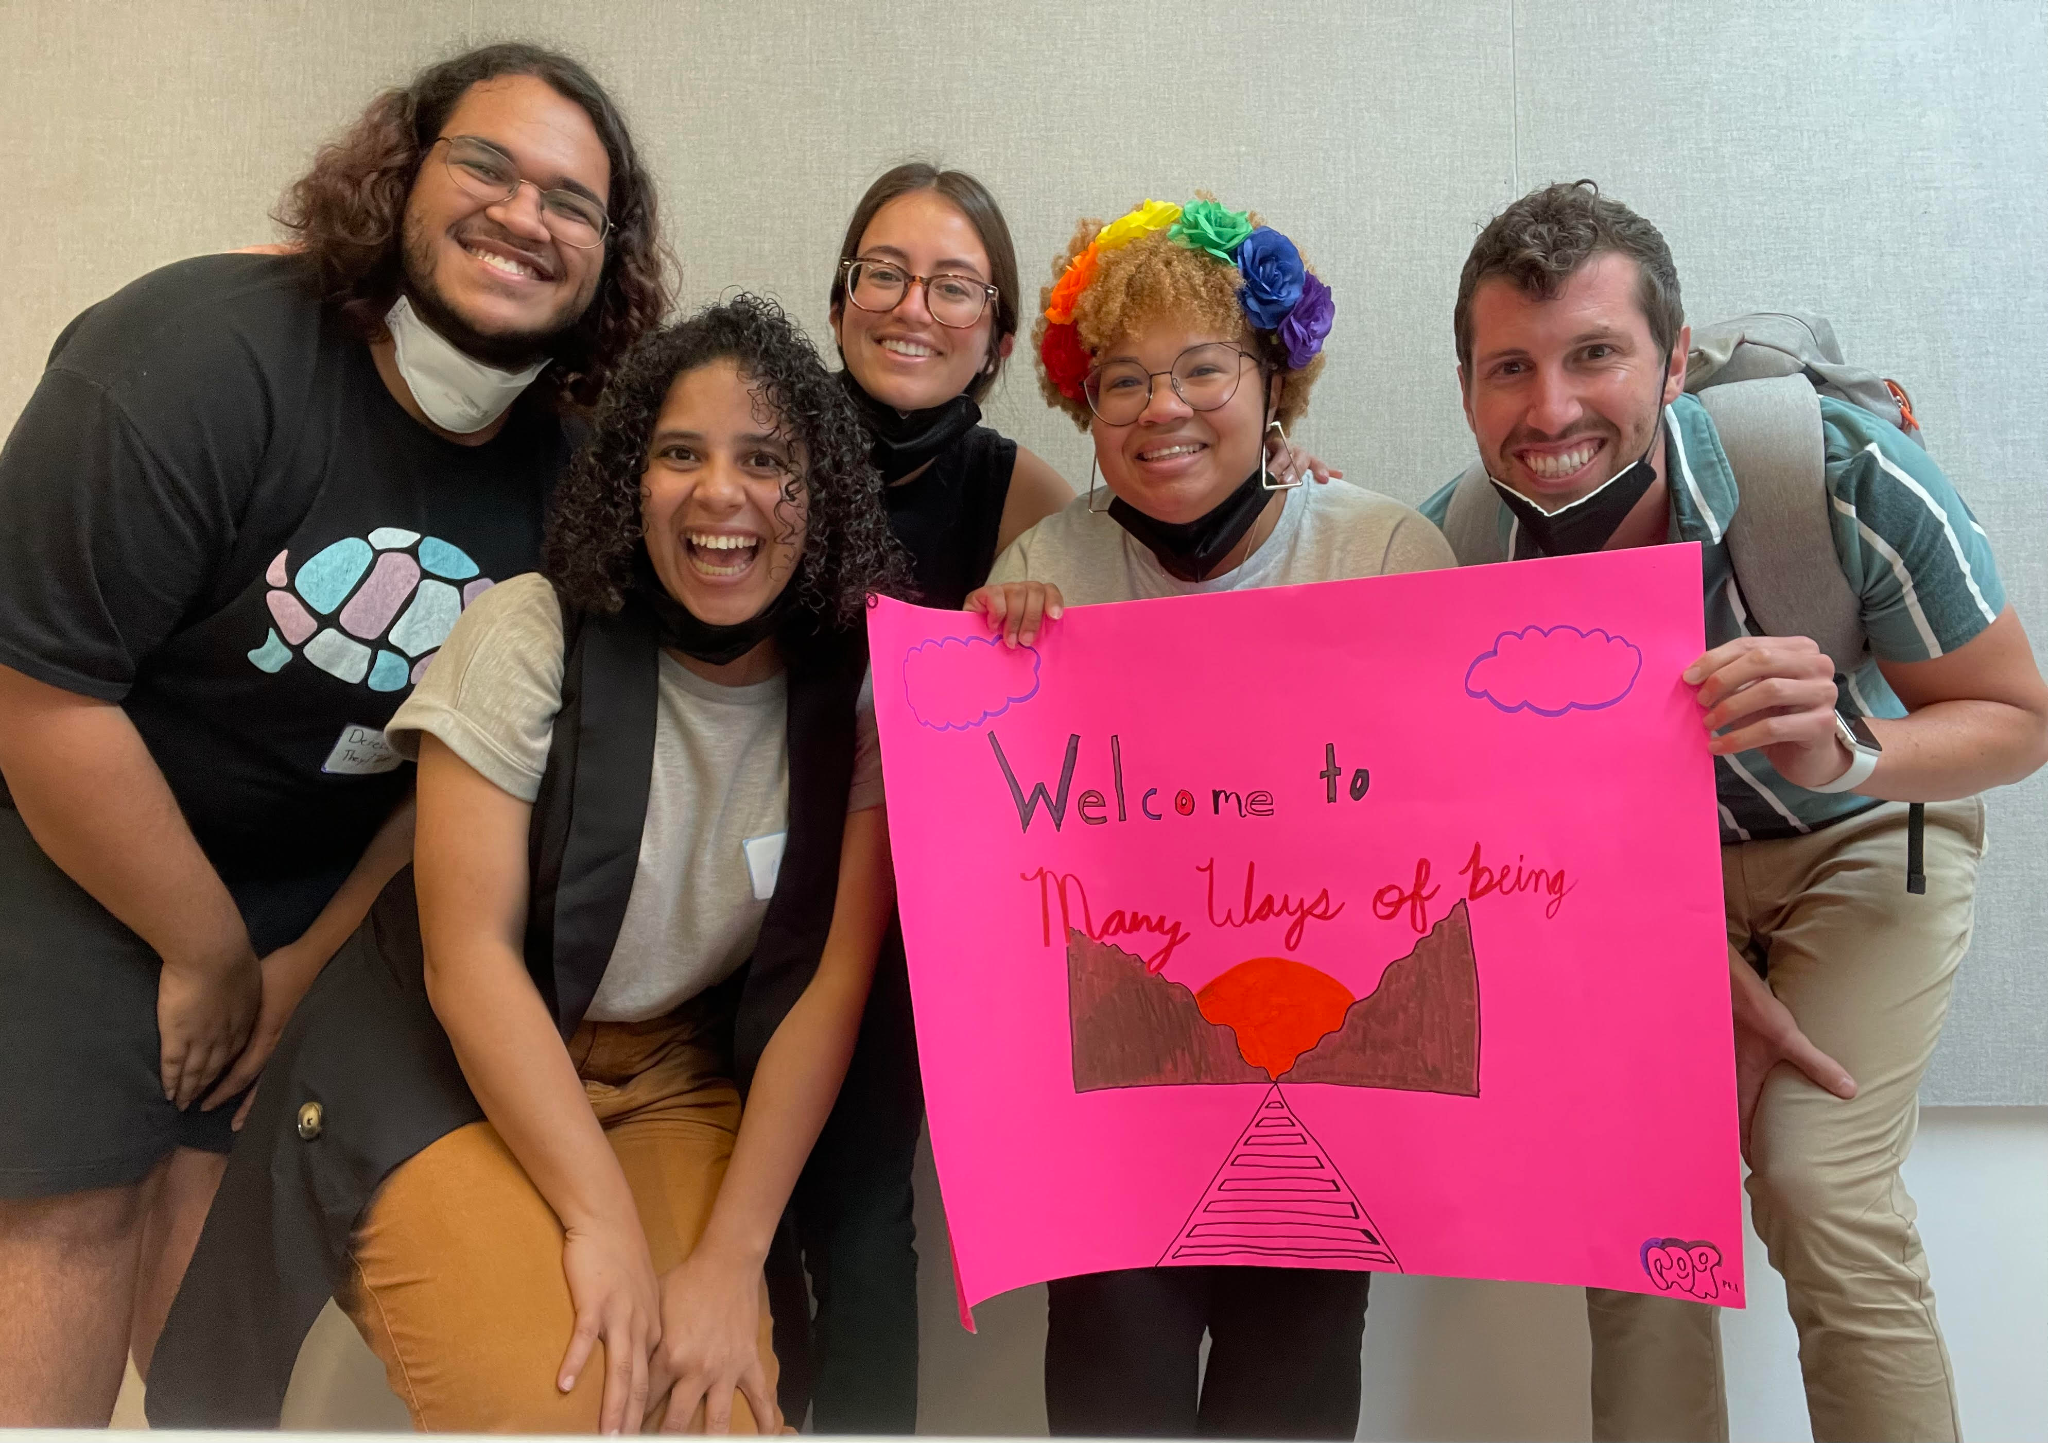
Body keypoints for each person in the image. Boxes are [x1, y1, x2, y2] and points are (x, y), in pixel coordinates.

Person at [0, 42, 664, 1427]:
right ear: (400, 176)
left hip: (332, 887)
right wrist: (203, 952)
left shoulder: (575, 469)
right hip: (79, 835)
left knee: (230, 1237)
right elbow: (41, 695)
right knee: (67, 1203)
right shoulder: (191, 357)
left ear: (609, 258)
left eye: (571, 200)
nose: (523, 215)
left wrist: (299, 967)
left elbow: (469, 774)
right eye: (485, 166)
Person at [151, 295, 910, 1432]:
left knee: (714, 1410)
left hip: (670, 1071)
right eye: (679, 454)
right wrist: (601, 1221)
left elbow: (828, 985)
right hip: (447, 1053)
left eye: (765, 461)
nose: (721, 493)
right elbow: (468, 961)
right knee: (571, 1402)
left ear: (823, 492)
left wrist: (728, 1259)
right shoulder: (530, 632)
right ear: (628, 481)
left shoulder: (858, 686)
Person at [1419, 180, 2048, 1443]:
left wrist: (1844, 749)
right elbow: (1486, 823)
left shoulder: (1834, 472)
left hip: (1860, 835)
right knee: (1637, 1205)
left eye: (1594, 355)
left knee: (1817, 1183)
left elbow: (2017, 719)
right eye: (1509, 369)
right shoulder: (1456, 549)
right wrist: (1683, 955)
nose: (1551, 411)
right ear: (1468, 388)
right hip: (1640, 888)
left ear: (1671, 361)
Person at [972, 195, 1454, 1438]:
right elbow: (994, 853)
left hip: (1326, 1091)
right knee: (1109, 1399)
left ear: (1273, 382)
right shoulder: (1043, 574)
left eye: (1202, 368)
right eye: (1122, 380)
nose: (1162, 407)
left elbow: (1458, 824)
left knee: (1287, 1405)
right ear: (1084, 405)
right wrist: (985, 671)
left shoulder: (1383, 551)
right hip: (1118, 1096)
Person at [761, 163, 1073, 1434]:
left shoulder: (1020, 494)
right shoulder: (759, 446)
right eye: (883, 273)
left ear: (996, 335)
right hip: (714, 883)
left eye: (954, 287)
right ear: (839, 297)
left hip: (892, 920)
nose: (912, 306)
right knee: (721, 1204)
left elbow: (1150, 587)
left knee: (859, 1207)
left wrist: (1279, 468)